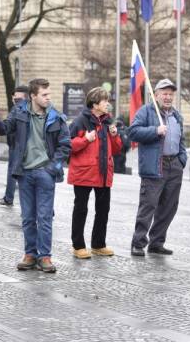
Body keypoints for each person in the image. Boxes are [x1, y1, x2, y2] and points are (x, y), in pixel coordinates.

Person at [0, 78, 71, 273]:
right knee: (28, 217)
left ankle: (45, 256)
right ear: (33, 96)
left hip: (45, 173)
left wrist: (52, 167)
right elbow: (3, 129)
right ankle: (30, 254)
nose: (48, 98)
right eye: (44, 95)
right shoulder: (20, 113)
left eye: (49, 94)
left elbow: (65, 145)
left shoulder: (56, 117)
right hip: (25, 173)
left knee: (44, 217)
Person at [128, 79, 187, 257]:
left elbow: (181, 139)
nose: (168, 97)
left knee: (169, 207)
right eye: (164, 93)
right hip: (155, 165)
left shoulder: (177, 116)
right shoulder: (146, 112)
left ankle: (157, 242)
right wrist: (155, 131)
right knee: (148, 205)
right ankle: (138, 243)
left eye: (171, 94)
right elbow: (133, 132)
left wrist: (182, 159)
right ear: (156, 95)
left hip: (174, 166)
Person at [67, 87, 122, 259]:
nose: (108, 104)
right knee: (81, 209)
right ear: (95, 104)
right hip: (84, 173)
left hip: (104, 173)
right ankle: (78, 246)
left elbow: (117, 149)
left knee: (103, 210)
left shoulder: (108, 122)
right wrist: (85, 139)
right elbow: (68, 145)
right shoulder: (79, 122)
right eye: (105, 101)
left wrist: (114, 136)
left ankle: (98, 244)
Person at [0, 85, 29, 206]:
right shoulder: (35, 107)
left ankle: (9, 197)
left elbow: (5, 128)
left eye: (17, 97)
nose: (14, 99)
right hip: (20, 145)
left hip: (17, 145)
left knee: (13, 171)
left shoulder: (18, 108)